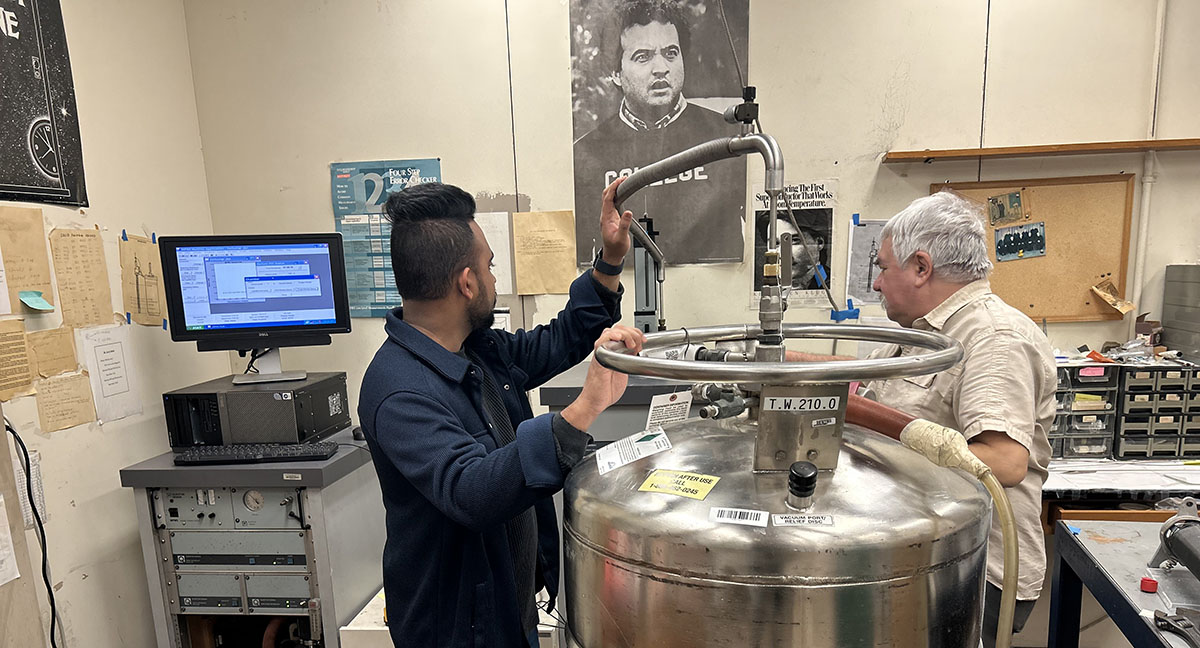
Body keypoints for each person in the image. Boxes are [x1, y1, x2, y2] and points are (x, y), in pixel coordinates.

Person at [358, 178, 645, 648]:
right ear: (467, 283)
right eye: (490, 267)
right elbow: (470, 490)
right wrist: (584, 408)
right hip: (457, 629)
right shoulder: (398, 389)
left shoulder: (477, 350)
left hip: (509, 609)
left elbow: (559, 341)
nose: (494, 279)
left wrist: (610, 259)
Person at [789, 191, 1054, 647]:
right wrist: (776, 361)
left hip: (966, 567)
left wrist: (857, 412)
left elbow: (1004, 462)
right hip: (915, 554)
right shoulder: (921, 332)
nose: (875, 283)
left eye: (883, 267)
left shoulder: (993, 338)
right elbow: (859, 382)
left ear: (921, 267)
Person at [572, 0, 745, 266]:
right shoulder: (586, 154)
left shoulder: (728, 138)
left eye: (671, 53)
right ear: (615, 73)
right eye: (643, 56)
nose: (661, 68)